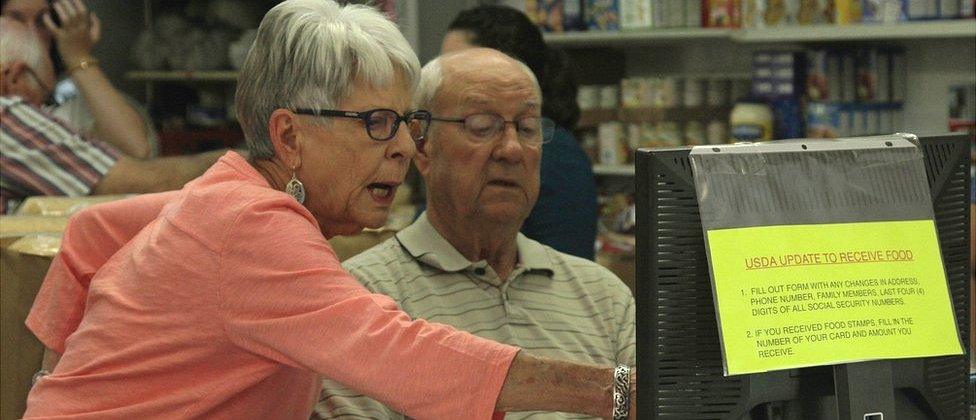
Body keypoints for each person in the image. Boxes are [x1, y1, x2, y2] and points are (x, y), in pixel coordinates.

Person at [21, 1, 635, 418]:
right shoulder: (249, 224)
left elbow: (89, 229)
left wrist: (54, 387)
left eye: (405, 122)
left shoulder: (221, 196)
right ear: (288, 137)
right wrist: (620, 394)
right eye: (376, 123)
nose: (402, 145)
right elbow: (400, 355)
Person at [315, 48, 635, 420]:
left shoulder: (603, 296)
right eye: (483, 127)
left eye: (528, 128)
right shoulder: (362, 297)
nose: (512, 149)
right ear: (422, 147)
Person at [0, 16, 218, 213]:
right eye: (45, 96)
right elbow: (144, 178)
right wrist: (239, 159)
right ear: (14, 78)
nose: (42, 111)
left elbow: (135, 148)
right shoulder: (7, 115)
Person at [440, 5, 598, 260]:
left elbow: (564, 267)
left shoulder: (555, 155)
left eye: (458, 64)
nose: (442, 76)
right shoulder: (448, 137)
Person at [3, 0, 156, 158]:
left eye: (42, 21)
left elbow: (137, 150)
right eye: (16, 19)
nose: (31, 30)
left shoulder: (73, 106)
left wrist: (78, 57)